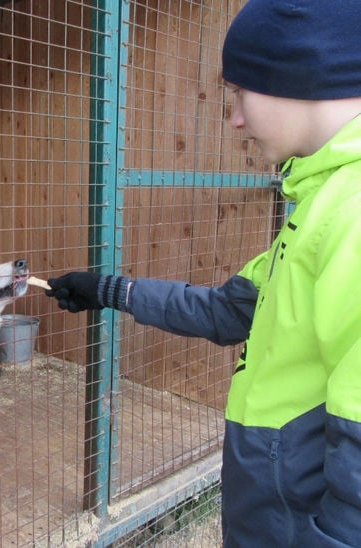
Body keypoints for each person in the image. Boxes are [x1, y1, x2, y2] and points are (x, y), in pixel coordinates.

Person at [45, 0, 361, 546]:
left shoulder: (351, 212)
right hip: (268, 513)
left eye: (240, 92)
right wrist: (108, 289)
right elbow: (229, 309)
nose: (235, 117)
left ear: (297, 75)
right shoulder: (318, 204)